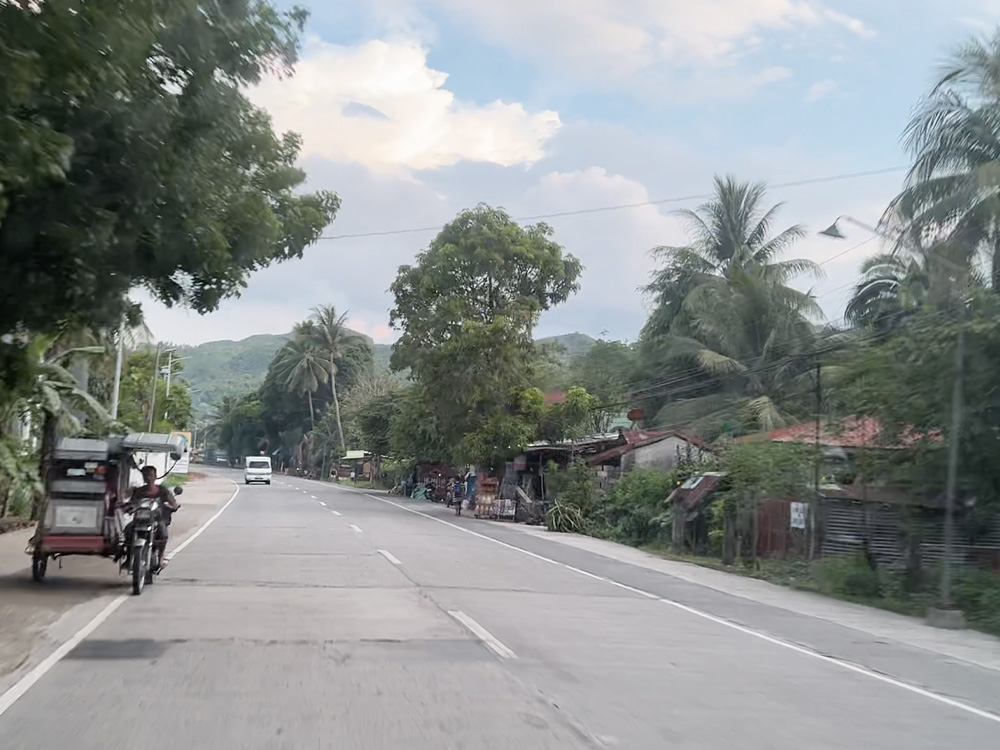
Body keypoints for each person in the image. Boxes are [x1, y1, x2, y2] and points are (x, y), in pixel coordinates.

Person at [125, 465, 179, 569]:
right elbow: (132, 502)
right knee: (127, 531)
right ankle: (128, 558)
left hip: (157, 519)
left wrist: (173, 506)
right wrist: (129, 507)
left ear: (155, 476)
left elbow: (172, 502)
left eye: (151, 475)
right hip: (140, 520)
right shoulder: (139, 491)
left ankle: (160, 557)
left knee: (163, 533)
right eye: (146, 476)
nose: (149, 478)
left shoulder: (162, 490)